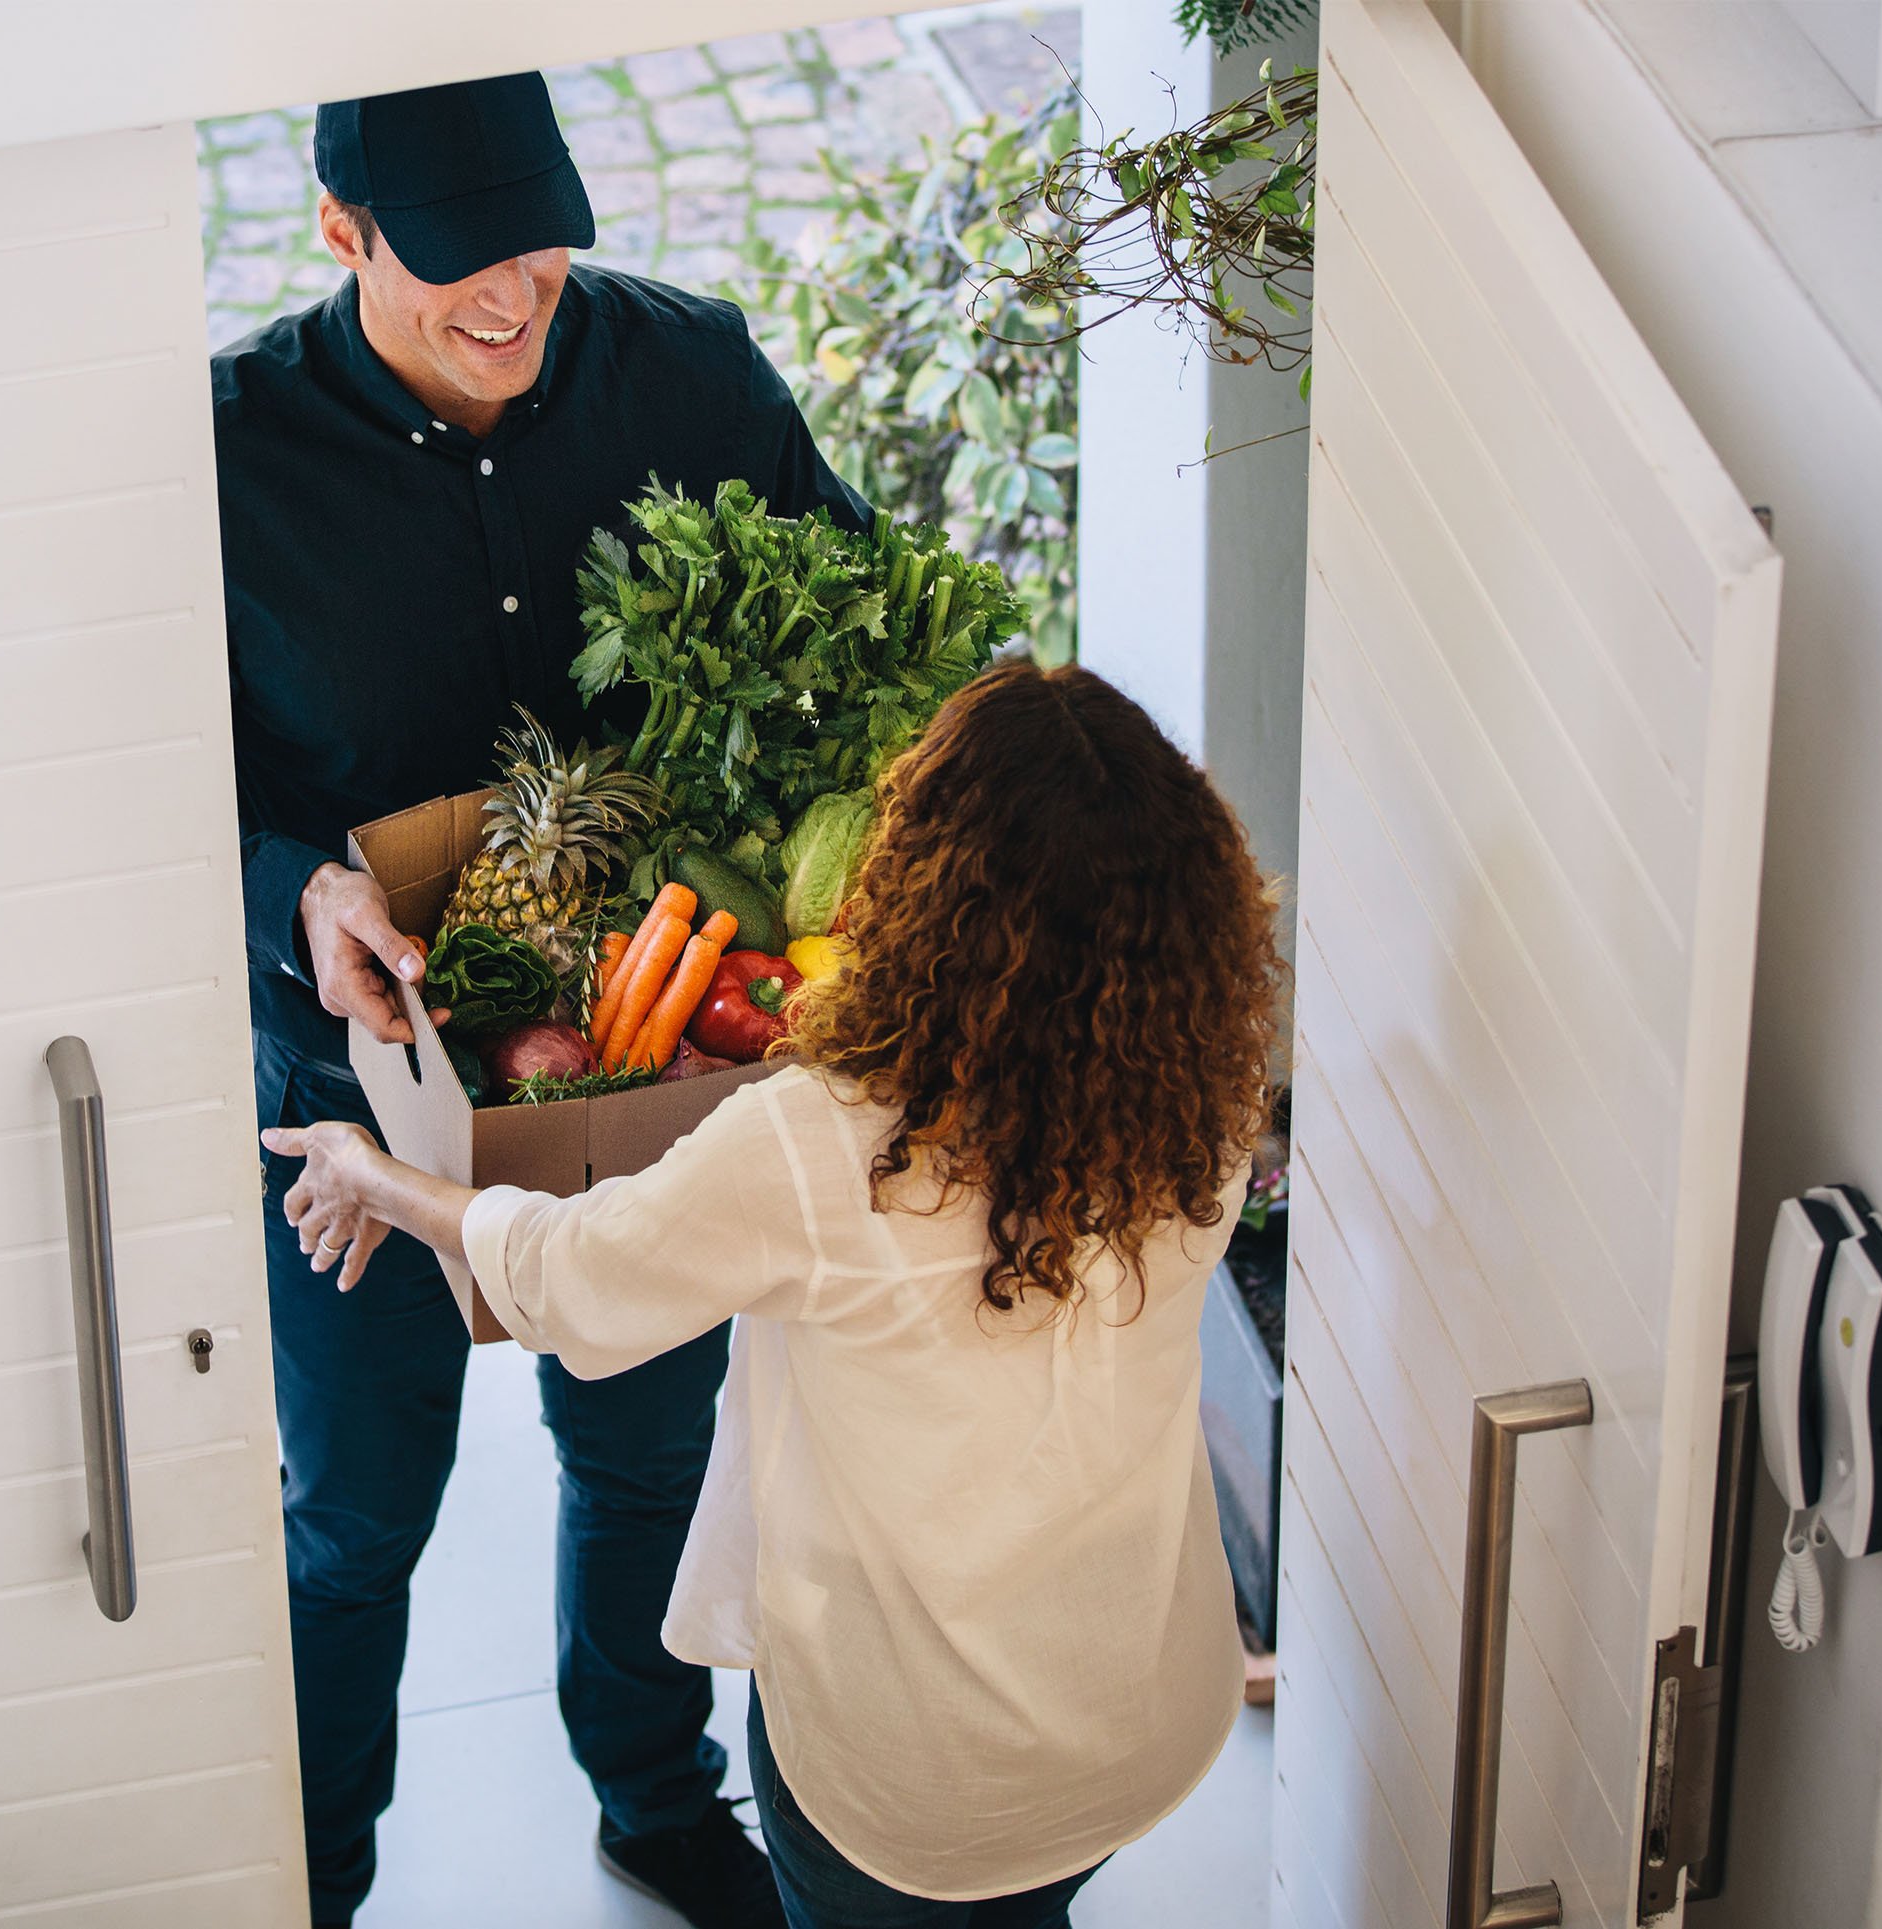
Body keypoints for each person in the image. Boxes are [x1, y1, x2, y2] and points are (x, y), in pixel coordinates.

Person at [263, 664, 1284, 1929]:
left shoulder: (826, 1139)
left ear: (921, 891)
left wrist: (379, 1172)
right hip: (1132, 1711)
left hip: (914, 1780)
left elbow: (570, 1280)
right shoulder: (1208, 1093)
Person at [212, 68, 868, 1929]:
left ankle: (655, 1794)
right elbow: (139, 780)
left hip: (643, 1053)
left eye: (542, 256)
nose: (512, 302)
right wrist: (298, 891)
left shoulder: (689, 373)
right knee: (353, 1517)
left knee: (646, 1442)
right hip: (348, 1079)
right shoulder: (221, 452)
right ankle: (308, 1874)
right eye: (455, 271)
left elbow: (835, 631)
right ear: (339, 232)